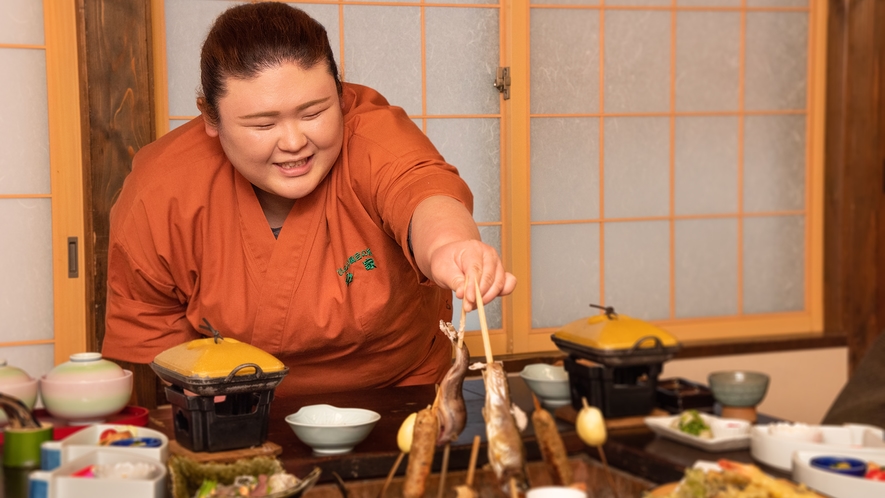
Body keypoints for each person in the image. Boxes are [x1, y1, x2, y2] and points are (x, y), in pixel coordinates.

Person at [101, 2, 516, 398]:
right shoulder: (162, 190)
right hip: (236, 402)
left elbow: (421, 189)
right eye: (263, 123)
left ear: (340, 93)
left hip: (400, 391)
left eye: (314, 113)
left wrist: (450, 246)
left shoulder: (373, 136)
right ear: (210, 117)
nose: (295, 142)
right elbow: (151, 324)